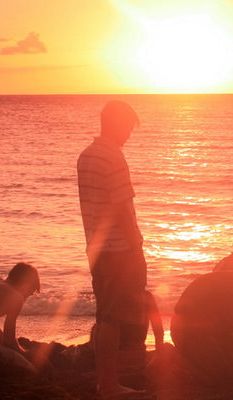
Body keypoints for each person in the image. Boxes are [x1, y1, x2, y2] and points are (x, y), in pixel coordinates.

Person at [77, 100, 149, 398]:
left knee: (106, 315)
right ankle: (108, 384)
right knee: (114, 319)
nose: (129, 135)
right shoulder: (113, 157)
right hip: (119, 251)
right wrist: (136, 245)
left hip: (97, 249)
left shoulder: (87, 156)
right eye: (128, 127)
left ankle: (106, 380)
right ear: (117, 123)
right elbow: (121, 208)